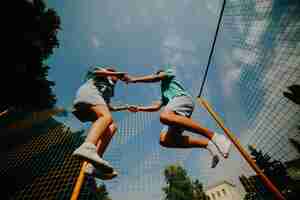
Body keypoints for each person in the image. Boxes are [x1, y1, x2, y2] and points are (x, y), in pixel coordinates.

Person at [126, 65, 231, 168]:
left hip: (182, 99)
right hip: (176, 111)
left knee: (165, 116)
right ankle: (208, 145)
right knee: (164, 140)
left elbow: (156, 77)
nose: (159, 75)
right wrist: (139, 108)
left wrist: (134, 79)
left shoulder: (168, 74)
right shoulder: (164, 93)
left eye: (159, 74)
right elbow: (156, 107)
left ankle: (215, 136)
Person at [72, 66, 128, 180]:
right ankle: (87, 147)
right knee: (105, 116)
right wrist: (120, 73)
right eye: (113, 73)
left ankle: (92, 164)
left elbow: (107, 106)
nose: (115, 77)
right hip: (87, 95)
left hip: (91, 103)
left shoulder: (109, 89)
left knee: (111, 126)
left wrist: (125, 107)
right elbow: (96, 72)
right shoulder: (101, 74)